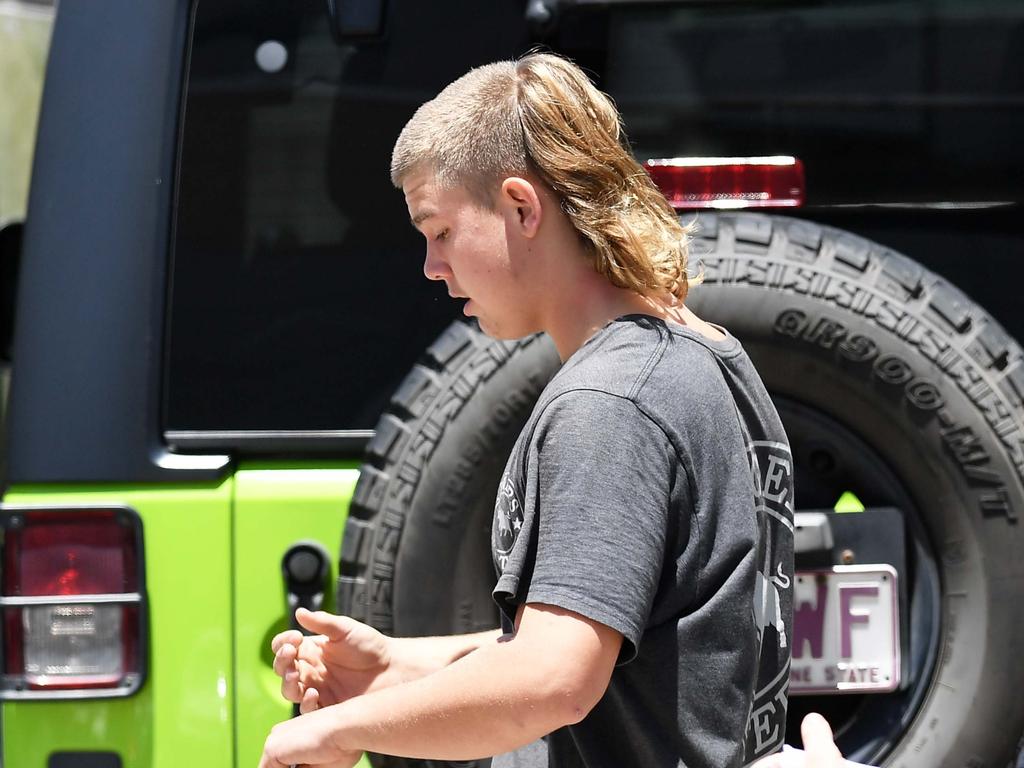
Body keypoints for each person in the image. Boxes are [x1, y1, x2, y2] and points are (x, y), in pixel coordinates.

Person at [259, 52, 796, 768]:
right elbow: (603, 641)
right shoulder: (707, 362)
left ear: (521, 206)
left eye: (440, 230)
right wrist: (393, 672)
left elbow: (555, 679)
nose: (431, 266)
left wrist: (335, 732)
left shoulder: (611, 405)